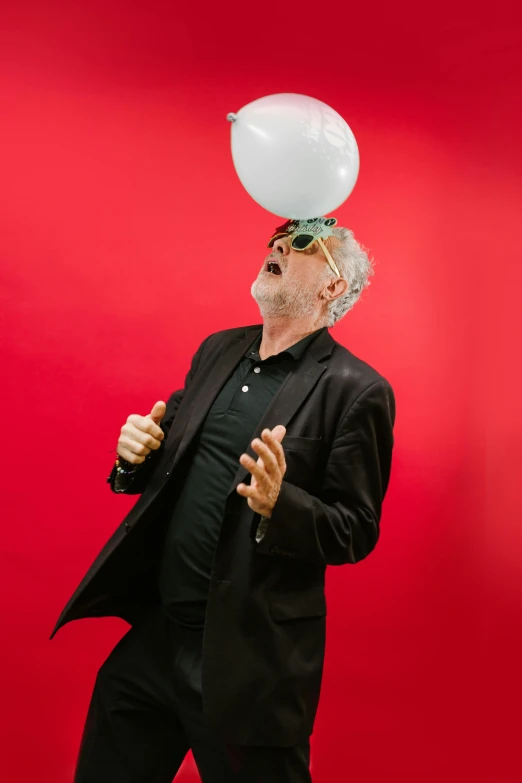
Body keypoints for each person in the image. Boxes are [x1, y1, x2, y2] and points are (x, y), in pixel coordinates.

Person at [50, 217, 396, 783]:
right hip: (160, 637)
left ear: (333, 287)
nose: (279, 245)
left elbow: (356, 528)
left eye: (304, 244)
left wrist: (279, 503)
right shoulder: (219, 350)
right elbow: (174, 457)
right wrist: (132, 459)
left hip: (249, 662)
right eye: (280, 236)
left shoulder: (357, 390)